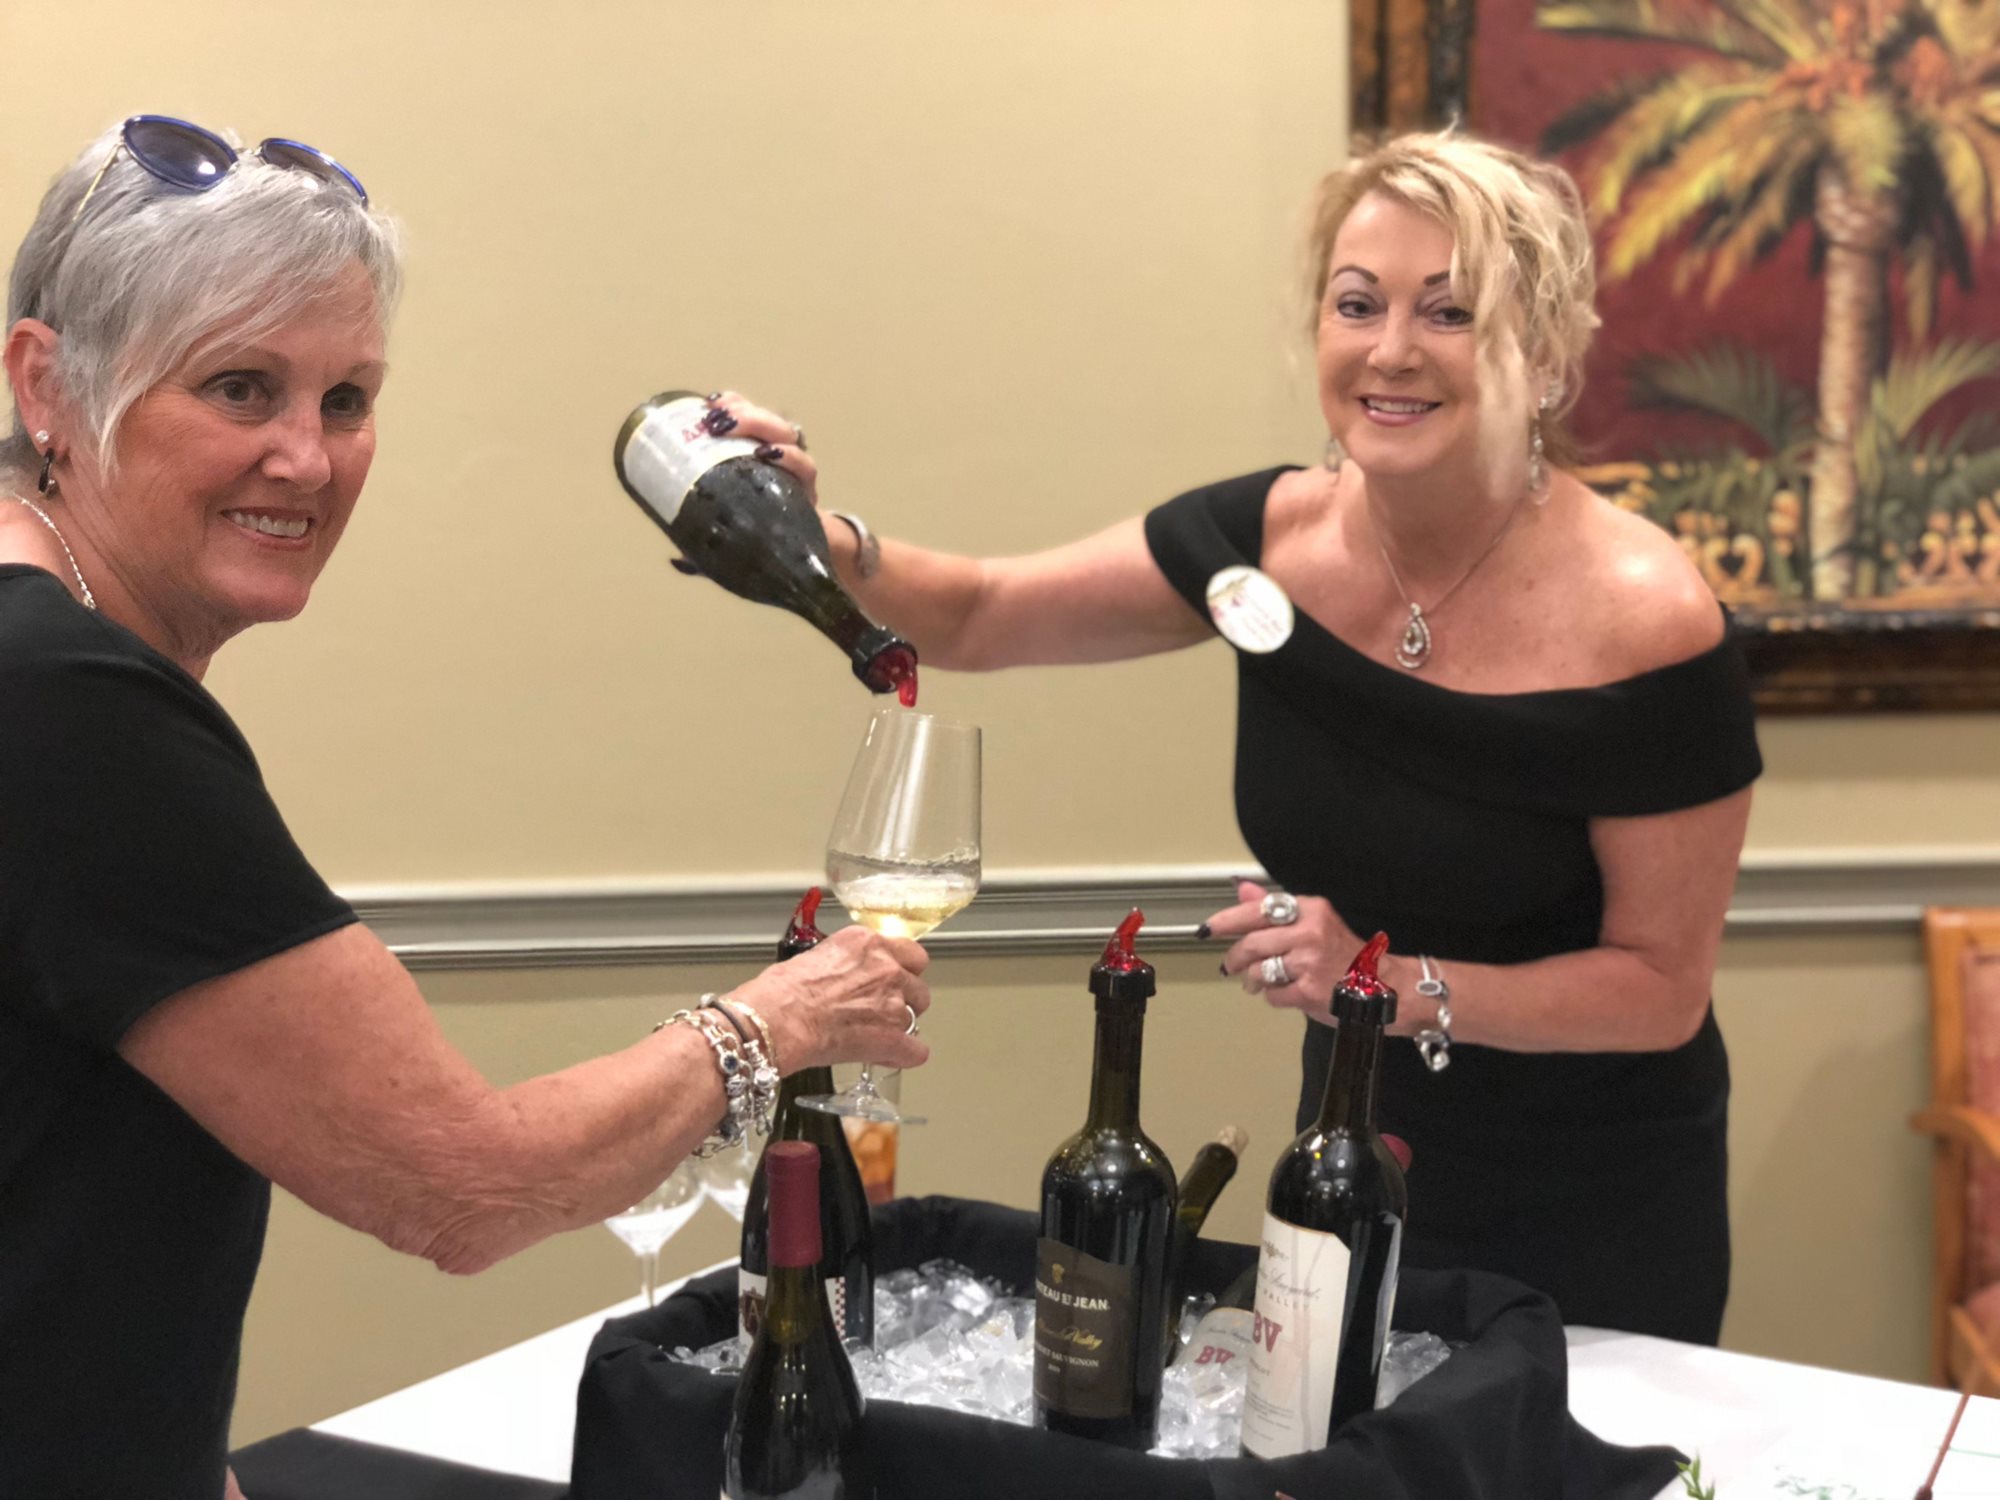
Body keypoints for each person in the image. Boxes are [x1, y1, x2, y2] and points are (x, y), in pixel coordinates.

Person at [0, 116, 931, 1499]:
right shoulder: (65, 703)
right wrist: (778, 1021)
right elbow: (462, 1187)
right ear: (48, 383)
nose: (307, 460)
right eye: (241, 389)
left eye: (346, 400)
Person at [708, 130, 1760, 1343]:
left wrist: (1380, 987)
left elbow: (1657, 990)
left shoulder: (1643, 614)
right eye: (1355, 304)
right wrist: (809, 531)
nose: (1390, 350)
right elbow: (984, 611)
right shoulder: (1263, 544)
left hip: (1592, 1204)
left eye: (1449, 311)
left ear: (1546, 348)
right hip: (1352, 1164)